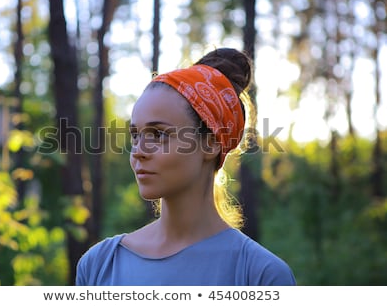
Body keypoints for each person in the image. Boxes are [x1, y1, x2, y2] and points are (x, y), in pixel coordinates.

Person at [76, 47, 296, 286]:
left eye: (158, 134)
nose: (138, 151)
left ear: (210, 143)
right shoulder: (99, 265)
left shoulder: (261, 275)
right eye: (136, 135)